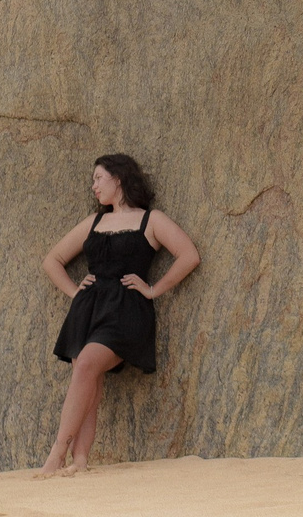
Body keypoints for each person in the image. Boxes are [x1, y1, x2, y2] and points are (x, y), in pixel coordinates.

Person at [35, 152, 199, 476]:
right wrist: (74, 292)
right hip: (88, 309)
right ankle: (80, 460)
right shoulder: (94, 222)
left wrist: (153, 289)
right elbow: (52, 260)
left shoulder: (151, 220)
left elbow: (189, 255)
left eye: (98, 178)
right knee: (87, 378)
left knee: (86, 365)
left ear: (119, 178)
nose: (93, 186)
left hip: (125, 311)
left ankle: (57, 454)